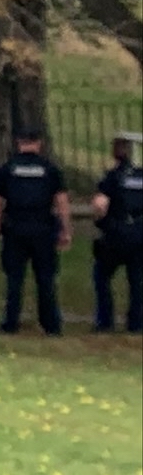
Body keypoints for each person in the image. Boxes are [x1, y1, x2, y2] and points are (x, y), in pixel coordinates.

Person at [0, 127, 72, 335]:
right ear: (39, 143)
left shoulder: (8, 168)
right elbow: (61, 201)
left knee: (14, 278)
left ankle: (10, 323)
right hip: (43, 228)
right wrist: (65, 229)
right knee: (45, 278)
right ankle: (51, 325)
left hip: (15, 227)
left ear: (19, 143)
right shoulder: (50, 169)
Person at [91, 131, 143, 333]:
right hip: (140, 233)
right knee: (137, 280)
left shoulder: (113, 176)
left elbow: (100, 205)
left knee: (101, 275)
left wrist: (102, 223)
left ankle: (105, 321)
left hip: (117, 233)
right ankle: (136, 323)